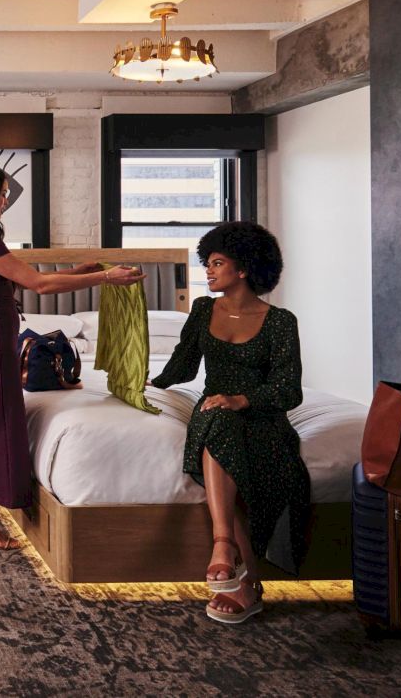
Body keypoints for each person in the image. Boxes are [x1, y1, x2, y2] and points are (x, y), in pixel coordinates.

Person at [0, 164, 144, 549]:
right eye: (2, 193)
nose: (6, 200)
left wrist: (77, 270)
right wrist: (103, 277)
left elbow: (24, 277)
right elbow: (39, 284)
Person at [151, 221, 308, 624]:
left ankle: (233, 562)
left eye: (217, 263)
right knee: (217, 422)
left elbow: (290, 391)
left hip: (263, 418)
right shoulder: (204, 310)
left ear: (244, 269)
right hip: (216, 414)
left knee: (228, 435)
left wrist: (242, 399)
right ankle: (229, 554)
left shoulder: (280, 321)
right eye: (208, 262)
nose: (208, 271)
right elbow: (183, 366)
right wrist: (146, 384)